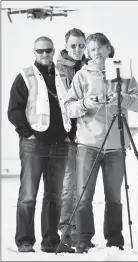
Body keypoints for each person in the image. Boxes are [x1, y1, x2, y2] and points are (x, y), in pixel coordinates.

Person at [64, 33, 138, 253]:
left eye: (100, 47)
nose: (96, 52)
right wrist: (85, 103)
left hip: (116, 146)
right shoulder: (82, 76)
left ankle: (115, 239)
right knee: (83, 195)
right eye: (91, 49)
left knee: (114, 196)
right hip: (88, 145)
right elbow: (69, 107)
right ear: (88, 54)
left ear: (109, 49)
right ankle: (83, 239)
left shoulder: (124, 75)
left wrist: (123, 99)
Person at [7, 36, 75, 253]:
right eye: (40, 51)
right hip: (34, 145)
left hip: (60, 144)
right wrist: (28, 134)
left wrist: (70, 134)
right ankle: (25, 241)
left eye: (48, 50)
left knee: (54, 196)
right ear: (34, 52)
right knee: (28, 195)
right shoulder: (24, 76)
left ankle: (51, 241)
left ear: (54, 51)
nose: (44, 54)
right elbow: (14, 110)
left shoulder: (63, 75)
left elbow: (71, 106)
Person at [55, 27, 88, 248]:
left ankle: (78, 228)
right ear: (66, 47)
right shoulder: (57, 69)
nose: (77, 49)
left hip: (86, 135)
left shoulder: (87, 67)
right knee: (69, 185)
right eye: (73, 45)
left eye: (81, 45)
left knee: (82, 186)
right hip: (67, 134)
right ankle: (65, 229)